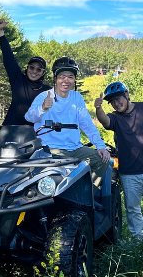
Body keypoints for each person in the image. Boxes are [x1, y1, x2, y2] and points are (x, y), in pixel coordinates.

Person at [95, 82, 143, 241]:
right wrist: (98, 109)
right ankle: (137, 238)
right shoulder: (115, 117)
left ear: (127, 95)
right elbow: (105, 121)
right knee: (132, 208)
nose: (116, 103)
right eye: (112, 102)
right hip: (128, 173)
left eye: (118, 99)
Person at [25, 56, 110, 187]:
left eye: (70, 77)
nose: (66, 80)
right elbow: (29, 117)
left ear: (74, 79)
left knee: (102, 160)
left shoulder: (76, 97)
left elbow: (87, 124)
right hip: (50, 149)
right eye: (62, 76)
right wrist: (43, 108)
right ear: (55, 78)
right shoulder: (44, 96)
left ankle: (87, 194)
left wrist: (100, 146)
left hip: (75, 148)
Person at [0, 19, 51, 126]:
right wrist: (0, 32)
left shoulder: (48, 91)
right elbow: (9, 58)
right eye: (32, 67)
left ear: (43, 73)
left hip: (35, 132)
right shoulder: (18, 80)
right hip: (11, 128)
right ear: (27, 68)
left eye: (39, 69)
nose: (34, 71)